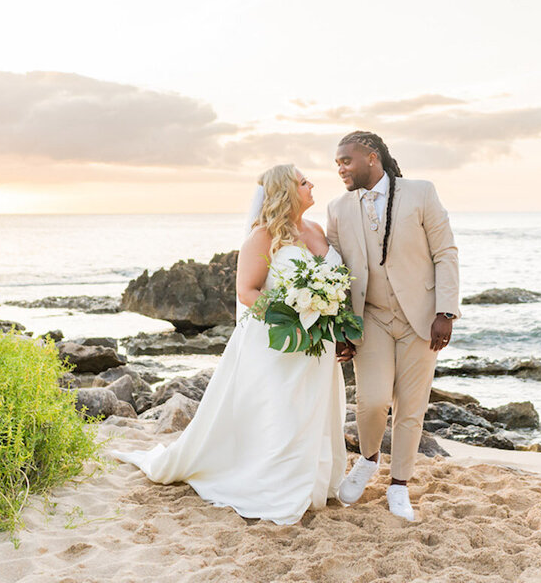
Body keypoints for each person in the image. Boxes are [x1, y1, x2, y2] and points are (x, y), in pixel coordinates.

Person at [110, 164, 346, 525]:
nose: (312, 184)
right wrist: (293, 317)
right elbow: (247, 291)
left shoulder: (317, 229)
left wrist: (328, 313)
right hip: (278, 342)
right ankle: (275, 486)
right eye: (303, 181)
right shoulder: (262, 237)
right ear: (286, 191)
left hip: (318, 342)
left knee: (313, 411)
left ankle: (312, 481)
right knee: (282, 413)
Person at [327, 130, 460, 521]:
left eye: (345, 161)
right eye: (336, 163)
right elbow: (335, 273)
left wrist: (445, 312)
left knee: (411, 408)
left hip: (420, 316)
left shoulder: (420, 193)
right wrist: (340, 327)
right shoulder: (338, 208)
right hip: (370, 318)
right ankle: (367, 459)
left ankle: (399, 486)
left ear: (371, 157)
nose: (340, 169)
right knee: (371, 401)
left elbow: (445, 252)